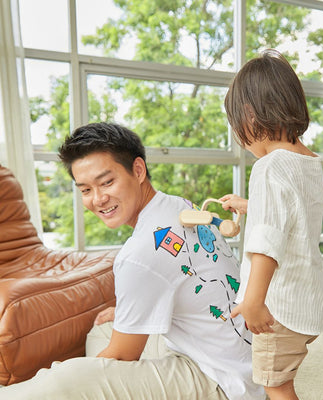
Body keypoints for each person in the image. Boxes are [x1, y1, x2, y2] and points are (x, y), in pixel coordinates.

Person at [0, 122, 265, 400]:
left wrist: (88, 378)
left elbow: (123, 355)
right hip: (240, 355)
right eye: (86, 190)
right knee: (102, 332)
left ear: (138, 170)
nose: (98, 199)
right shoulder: (180, 205)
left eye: (107, 182)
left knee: (68, 379)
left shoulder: (138, 254)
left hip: (222, 380)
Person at [219, 49, 323, 400]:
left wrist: (253, 301)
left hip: (278, 305)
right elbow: (293, 215)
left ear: (251, 114)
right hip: (308, 295)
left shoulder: (269, 167)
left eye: (236, 124)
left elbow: (267, 241)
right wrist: (249, 206)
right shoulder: (308, 162)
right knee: (281, 377)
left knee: (276, 385)